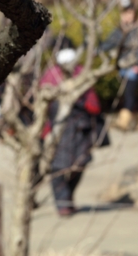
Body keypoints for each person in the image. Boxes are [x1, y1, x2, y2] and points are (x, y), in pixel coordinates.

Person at [41, 47, 104, 217]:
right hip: (57, 128)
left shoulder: (82, 73)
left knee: (79, 165)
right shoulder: (50, 75)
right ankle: (62, 203)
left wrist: (80, 101)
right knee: (57, 168)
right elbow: (41, 105)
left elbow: (94, 105)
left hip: (80, 129)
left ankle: (67, 198)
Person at [100, 0, 138, 131]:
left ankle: (124, 122)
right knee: (125, 94)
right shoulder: (118, 30)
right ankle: (135, 119)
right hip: (121, 67)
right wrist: (96, 48)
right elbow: (109, 43)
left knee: (129, 94)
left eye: (130, 13)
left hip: (133, 67)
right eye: (125, 13)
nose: (128, 16)